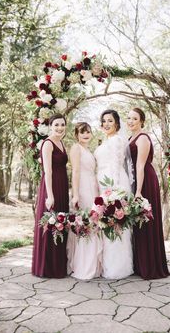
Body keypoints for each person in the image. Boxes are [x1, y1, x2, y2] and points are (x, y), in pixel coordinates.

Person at [127, 107, 170, 279]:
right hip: (136, 179)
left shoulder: (143, 138)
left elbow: (140, 165)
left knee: (146, 221)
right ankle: (140, 263)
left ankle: (150, 265)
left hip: (144, 182)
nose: (130, 121)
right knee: (138, 223)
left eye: (134, 119)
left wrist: (138, 190)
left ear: (141, 121)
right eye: (129, 118)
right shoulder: (131, 137)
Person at [94, 109, 133, 279]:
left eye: (110, 121)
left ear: (117, 123)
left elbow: (117, 165)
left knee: (115, 223)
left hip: (113, 185)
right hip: (104, 184)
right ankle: (107, 263)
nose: (106, 124)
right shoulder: (106, 140)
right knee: (106, 223)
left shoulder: (117, 140)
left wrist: (115, 194)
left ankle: (118, 267)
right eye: (104, 121)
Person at [32, 113, 69, 278]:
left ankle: (58, 266)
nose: (60, 128)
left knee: (60, 224)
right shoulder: (47, 144)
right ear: (51, 126)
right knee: (50, 225)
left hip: (62, 185)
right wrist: (50, 195)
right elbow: (47, 171)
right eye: (56, 125)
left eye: (62, 125)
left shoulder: (61, 142)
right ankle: (46, 268)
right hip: (51, 186)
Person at [67, 122, 102, 280]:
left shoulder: (88, 150)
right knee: (86, 224)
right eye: (82, 132)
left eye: (88, 132)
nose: (86, 134)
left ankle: (94, 263)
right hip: (82, 188)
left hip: (92, 187)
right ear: (76, 135)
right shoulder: (76, 148)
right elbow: (75, 171)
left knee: (94, 223)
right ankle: (84, 264)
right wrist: (75, 194)